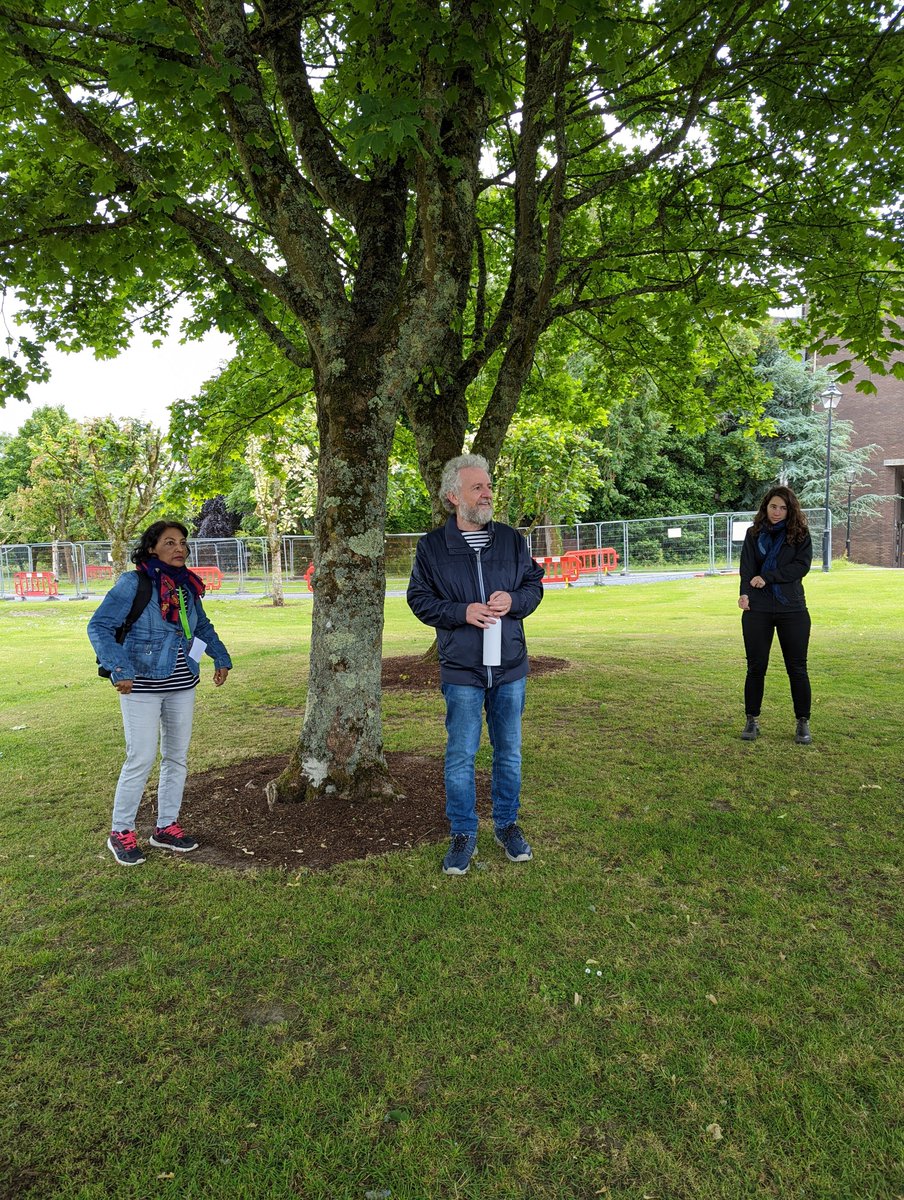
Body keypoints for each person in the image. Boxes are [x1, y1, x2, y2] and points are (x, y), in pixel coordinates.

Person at [407, 454, 545, 874]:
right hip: (462, 669)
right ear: (454, 496)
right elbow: (419, 600)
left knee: (509, 753)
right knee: (461, 756)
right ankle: (463, 832)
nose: (487, 494)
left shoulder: (511, 540)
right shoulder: (432, 547)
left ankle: (506, 825)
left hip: (510, 667)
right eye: (477, 488)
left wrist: (514, 600)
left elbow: (533, 586)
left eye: (488, 486)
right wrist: (461, 612)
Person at [88, 521, 233, 866]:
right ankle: (121, 831)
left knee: (176, 758)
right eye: (170, 543)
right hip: (141, 684)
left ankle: (166, 827)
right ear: (152, 548)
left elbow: (200, 626)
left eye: (182, 542)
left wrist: (221, 656)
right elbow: (100, 626)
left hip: (182, 683)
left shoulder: (187, 585)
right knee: (140, 758)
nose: (179, 548)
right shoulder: (133, 583)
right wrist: (120, 668)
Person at [738, 486, 813, 744]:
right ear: (766, 507)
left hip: (792, 608)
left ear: (791, 510)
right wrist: (744, 593)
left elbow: (800, 567)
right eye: (773, 506)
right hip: (757, 608)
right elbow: (747, 567)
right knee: (755, 667)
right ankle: (751, 720)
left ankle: (802, 722)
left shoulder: (800, 534)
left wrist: (767, 577)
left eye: (783, 508)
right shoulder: (753, 533)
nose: (777, 512)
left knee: (797, 668)